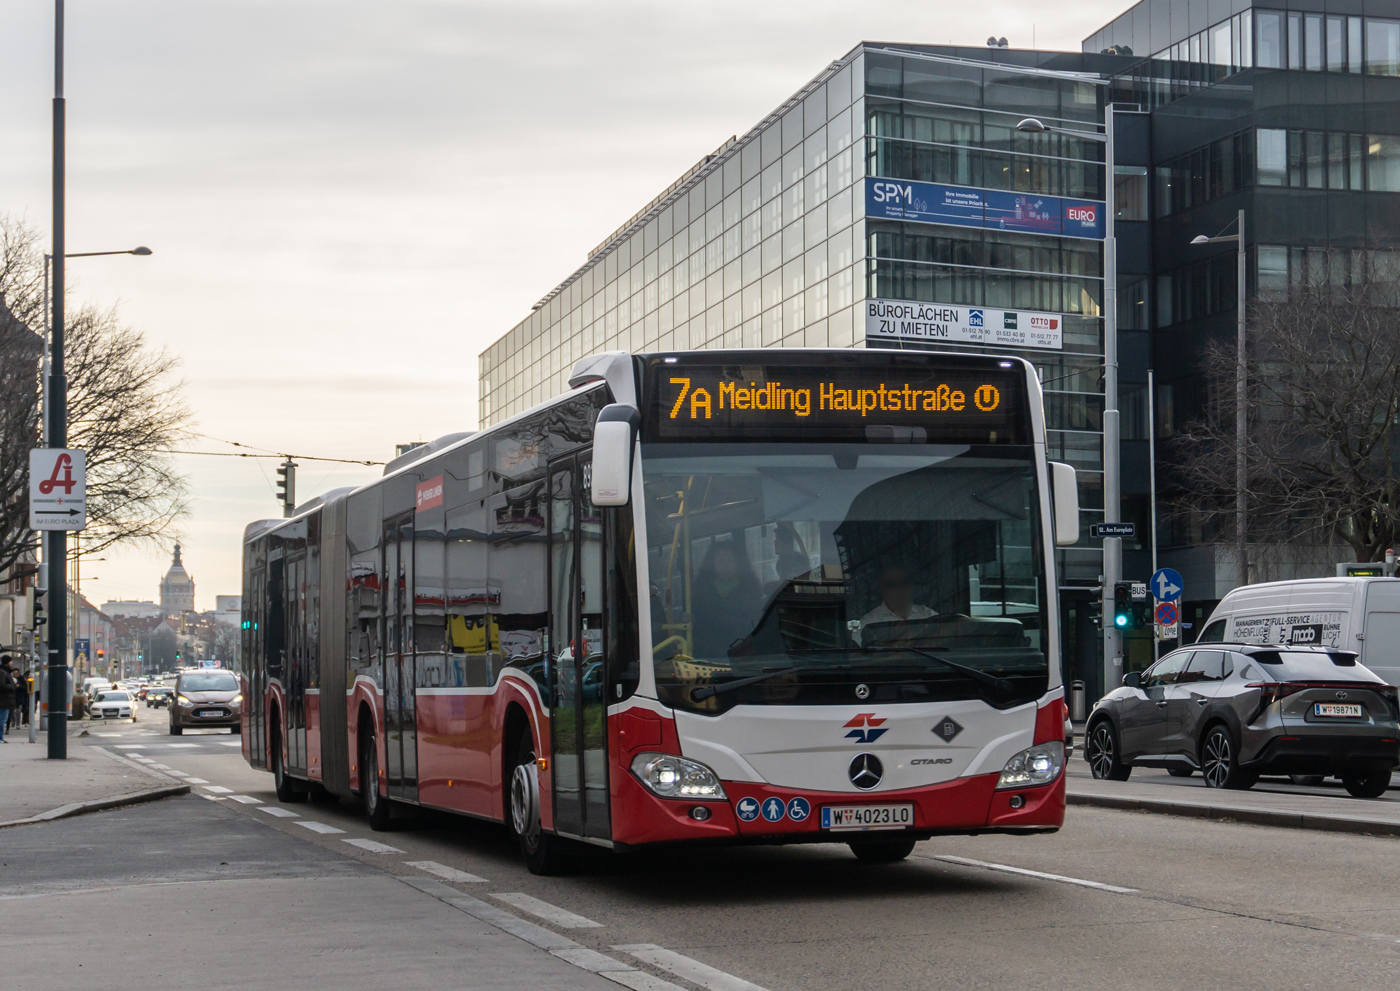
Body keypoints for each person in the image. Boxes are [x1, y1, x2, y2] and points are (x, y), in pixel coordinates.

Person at [690, 541, 763, 657]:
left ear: (739, 563)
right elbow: (697, 624)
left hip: (741, 656)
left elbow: (751, 626)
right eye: (720, 561)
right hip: (706, 657)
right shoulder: (700, 590)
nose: (725, 566)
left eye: (730, 561)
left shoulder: (751, 590)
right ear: (712, 563)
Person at [857, 565, 936, 644]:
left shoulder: (928, 615)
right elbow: (858, 654)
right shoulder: (868, 624)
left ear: (912, 586)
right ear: (882, 590)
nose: (900, 589)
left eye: (904, 582)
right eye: (892, 585)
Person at [0, 656, 16, 743]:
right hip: (3, 701)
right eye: (10, 662)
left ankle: (1, 737)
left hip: (5, 700)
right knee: (2, 720)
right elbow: (1, 685)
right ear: (7, 662)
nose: (12, 663)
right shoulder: (2, 673)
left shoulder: (5, 672)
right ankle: (0, 738)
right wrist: (12, 686)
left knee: (3, 720)